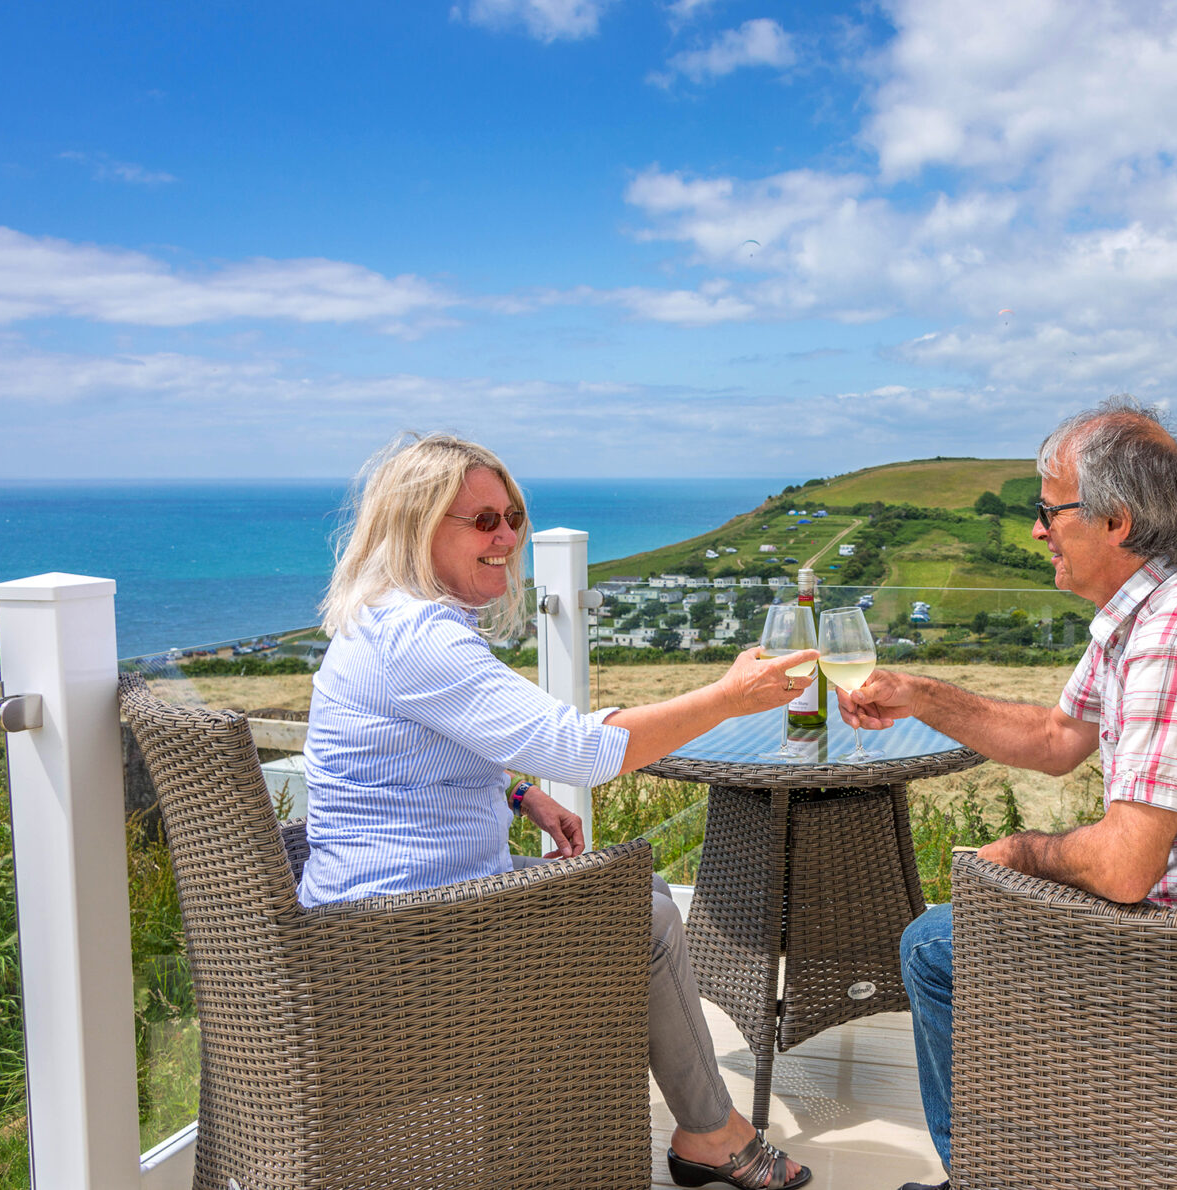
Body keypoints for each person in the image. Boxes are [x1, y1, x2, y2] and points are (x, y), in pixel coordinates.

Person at [297, 433, 814, 1190]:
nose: (506, 537)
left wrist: (516, 792)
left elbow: (409, 755)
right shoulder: (419, 638)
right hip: (397, 935)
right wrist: (727, 699)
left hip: (375, 903)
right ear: (415, 526)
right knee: (647, 915)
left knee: (641, 903)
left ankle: (680, 1126)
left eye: (510, 516)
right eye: (479, 522)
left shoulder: (387, 619)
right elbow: (579, 750)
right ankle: (707, 1133)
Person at [838, 397, 1177, 1190]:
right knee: (968, 924)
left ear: (1115, 522)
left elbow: (1126, 868)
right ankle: (1050, 1149)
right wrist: (918, 693)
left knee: (931, 948)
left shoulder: (1174, 642)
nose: (1035, 530)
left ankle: (988, 1176)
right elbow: (1056, 740)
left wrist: (1014, 854)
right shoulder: (1154, 611)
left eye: (1047, 508)